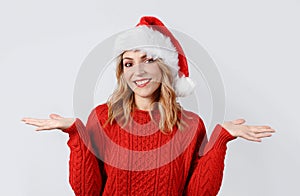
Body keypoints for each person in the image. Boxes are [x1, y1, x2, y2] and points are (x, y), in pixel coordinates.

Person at [22, 16, 275, 196]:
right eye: (128, 63)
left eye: (147, 59)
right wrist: (76, 132)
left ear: (164, 66)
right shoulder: (103, 118)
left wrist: (221, 138)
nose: (138, 71)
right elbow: (87, 192)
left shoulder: (190, 126)